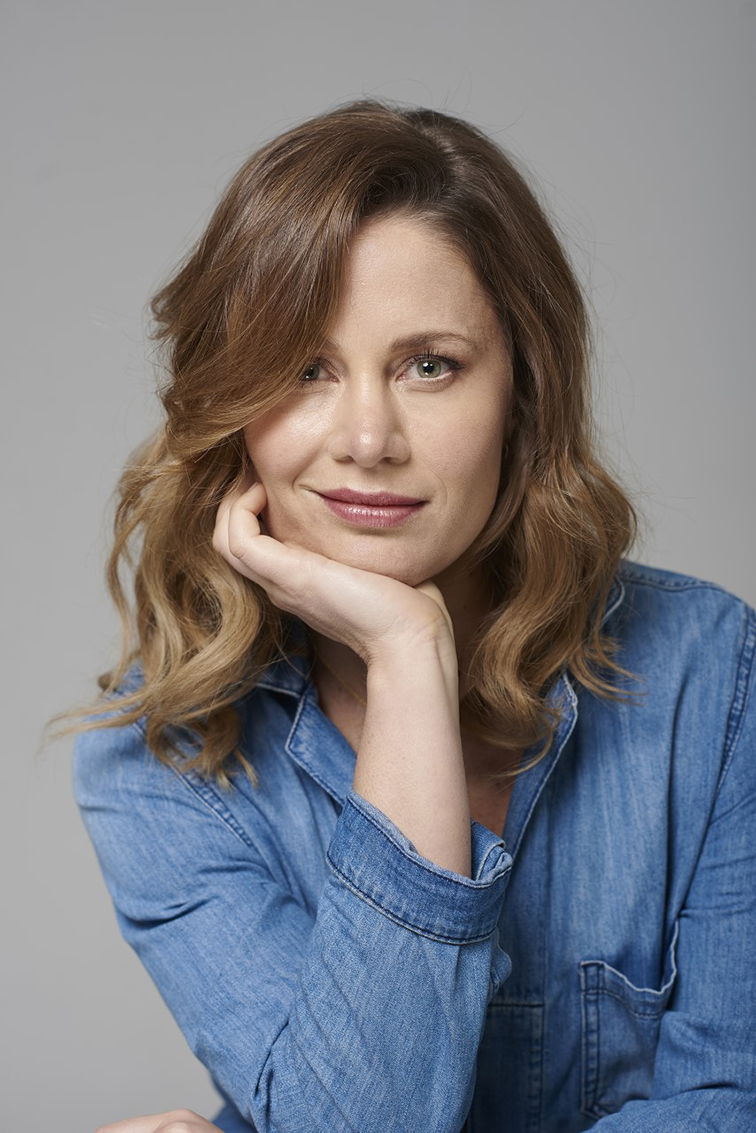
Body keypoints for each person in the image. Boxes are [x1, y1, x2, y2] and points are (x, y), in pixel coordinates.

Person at [55, 98, 756, 1132]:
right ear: (234, 407)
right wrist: (409, 654)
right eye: (306, 369)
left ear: (523, 391)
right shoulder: (161, 760)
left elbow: (728, 1103)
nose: (368, 437)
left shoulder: (717, 677)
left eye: (430, 364)